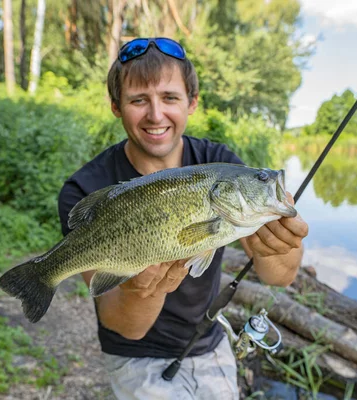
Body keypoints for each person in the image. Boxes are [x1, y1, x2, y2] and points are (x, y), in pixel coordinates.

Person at [58, 37, 308, 400]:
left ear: (192, 102)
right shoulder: (85, 188)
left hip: (207, 340)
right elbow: (124, 326)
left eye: (170, 98)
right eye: (138, 100)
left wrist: (280, 245)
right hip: (134, 354)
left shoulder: (222, 165)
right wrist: (142, 291)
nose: (156, 115)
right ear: (116, 106)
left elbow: (279, 276)